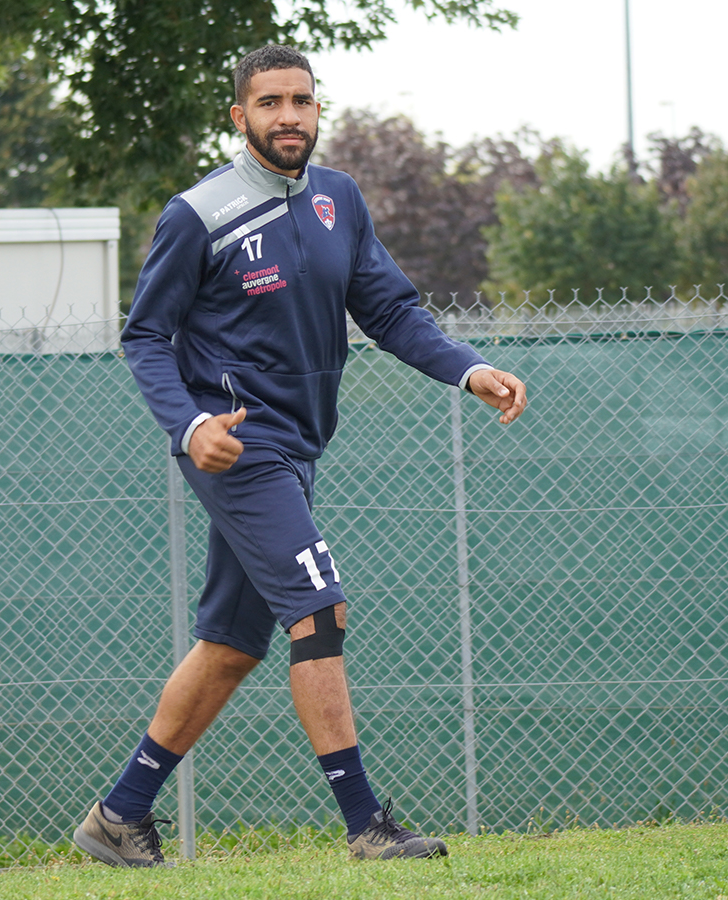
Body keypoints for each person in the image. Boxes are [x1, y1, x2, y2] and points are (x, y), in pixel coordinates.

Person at [73, 43, 527, 867]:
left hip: (300, 447)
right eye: (271, 102)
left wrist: (469, 367)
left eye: (303, 101)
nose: (290, 116)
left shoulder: (338, 201)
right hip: (238, 446)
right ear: (238, 116)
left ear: (319, 110)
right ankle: (366, 825)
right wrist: (188, 426)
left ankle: (118, 816)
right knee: (321, 609)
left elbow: (391, 312)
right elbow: (144, 335)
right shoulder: (198, 212)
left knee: (233, 646)